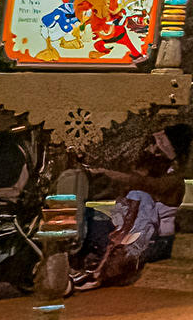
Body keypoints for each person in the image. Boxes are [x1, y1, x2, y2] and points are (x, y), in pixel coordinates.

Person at [77, 123, 187, 287]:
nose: (151, 149)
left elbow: (141, 183)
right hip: (137, 232)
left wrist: (107, 172)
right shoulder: (149, 182)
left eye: (157, 146)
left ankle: (101, 273)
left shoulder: (172, 181)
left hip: (156, 241)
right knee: (91, 217)